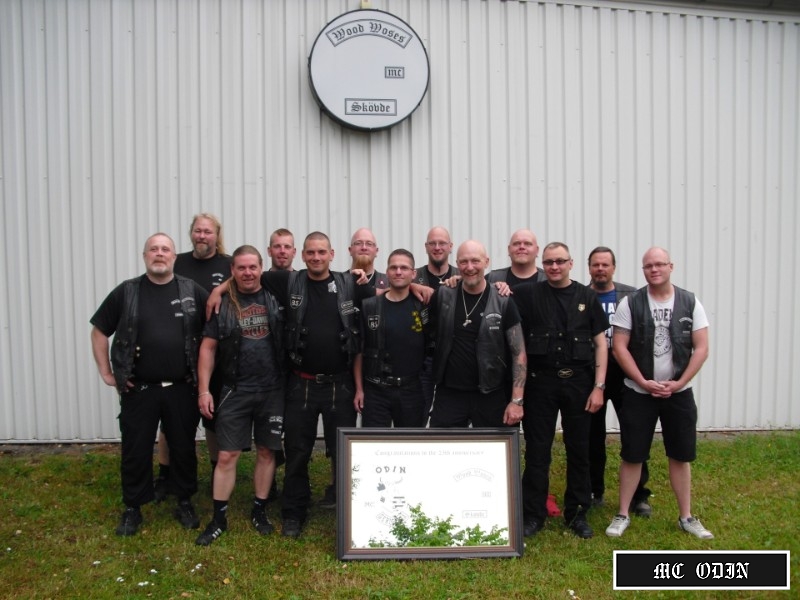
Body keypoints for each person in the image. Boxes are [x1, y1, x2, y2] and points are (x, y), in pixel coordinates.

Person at [90, 233, 207, 536]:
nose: (159, 254)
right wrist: (107, 372)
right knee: (135, 449)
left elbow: (213, 324)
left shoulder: (191, 290)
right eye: (153, 249)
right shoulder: (127, 291)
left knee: (183, 447)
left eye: (165, 249)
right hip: (139, 388)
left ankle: (184, 500)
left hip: (182, 387)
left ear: (174, 257)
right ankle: (133, 507)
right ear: (145, 256)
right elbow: (99, 330)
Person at [605, 247, 713, 539]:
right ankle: (622, 514)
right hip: (638, 393)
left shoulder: (690, 302)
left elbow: (701, 348)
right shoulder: (631, 303)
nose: (654, 270)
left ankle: (686, 517)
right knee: (632, 454)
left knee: (680, 454)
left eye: (659, 264)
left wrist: (679, 382)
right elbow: (619, 347)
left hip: (679, 394)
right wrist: (642, 380)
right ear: (643, 270)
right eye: (648, 266)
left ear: (670, 266)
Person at [514, 242, 609, 539]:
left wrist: (599, 387)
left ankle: (577, 513)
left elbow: (600, 344)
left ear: (571, 263)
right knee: (537, 451)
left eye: (560, 261)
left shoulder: (586, 296)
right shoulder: (528, 295)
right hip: (540, 384)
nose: (554, 267)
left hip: (579, 384)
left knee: (579, 450)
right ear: (543, 265)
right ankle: (533, 514)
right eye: (549, 262)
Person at [195, 246, 285, 545]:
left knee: (267, 451)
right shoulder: (221, 304)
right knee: (226, 454)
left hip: (272, 389)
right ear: (232, 271)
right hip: (235, 389)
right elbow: (208, 348)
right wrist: (204, 390)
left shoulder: (276, 296)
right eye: (241, 268)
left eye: (252, 267)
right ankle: (218, 518)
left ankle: (260, 509)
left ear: (261, 268)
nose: (248, 273)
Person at [153, 213, 231, 503]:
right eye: (198, 231)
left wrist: (219, 289)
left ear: (216, 235)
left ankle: (215, 473)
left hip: (216, 352)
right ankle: (165, 474)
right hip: (180, 353)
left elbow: (247, 274)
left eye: (207, 231)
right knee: (170, 420)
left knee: (212, 419)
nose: (202, 236)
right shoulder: (179, 262)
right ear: (191, 233)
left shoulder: (227, 264)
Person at [429, 240, 526, 429]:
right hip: (449, 394)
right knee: (442, 446)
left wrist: (517, 400)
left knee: (495, 447)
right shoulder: (443, 295)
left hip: (490, 394)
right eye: (464, 262)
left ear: (486, 262)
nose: (469, 267)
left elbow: (519, 354)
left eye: (475, 261)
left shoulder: (503, 300)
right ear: (457, 264)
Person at [586, 247, 651, 515]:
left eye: (605, 265)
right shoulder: (581, 296)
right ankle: (594, 490)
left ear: (614, 267)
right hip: (592, 376)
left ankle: (639, 495)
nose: (600, 269)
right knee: (592, 437)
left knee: (634, 435)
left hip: (625, 374)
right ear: (589, 268)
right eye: (596, 265)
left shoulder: (631, 296)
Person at [354, 249, 430, 428]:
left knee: (410, 443)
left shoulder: (422, 305)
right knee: (374, 443)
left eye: (404, 268)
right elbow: (359, 351)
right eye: (393, 267)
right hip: (376, 391)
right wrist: (359, 389)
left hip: (412, 390)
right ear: (387, 272)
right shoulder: (369, 306)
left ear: (413, 274)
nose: (398, 272)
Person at [415, 227, 458, 423]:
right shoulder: (414, 276)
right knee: (418, 413)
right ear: (426, 247)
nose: (437, 247)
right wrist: (411, 285)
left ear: (450, 246)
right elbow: (392, 289)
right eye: (432, 243)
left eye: (442, 243)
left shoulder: (462, 275)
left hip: (452, 358)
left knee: (449, 417)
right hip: (422, 359)